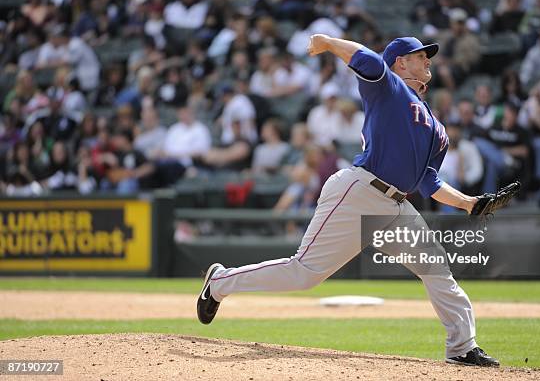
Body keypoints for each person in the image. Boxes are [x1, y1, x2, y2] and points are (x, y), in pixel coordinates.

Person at [196, 34, 500, 367]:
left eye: (427, 56)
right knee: (304, 274)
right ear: (400, 62)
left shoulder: (436, 128)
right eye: (419, 55)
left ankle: (461, 346)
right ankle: (220, 282)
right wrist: (327, 42)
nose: (427, 60)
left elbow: (429, 182)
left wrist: (470, 203)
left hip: (396, 207)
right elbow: (367, 60)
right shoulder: (389, 89)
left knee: (435, 266)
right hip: (358, 192)